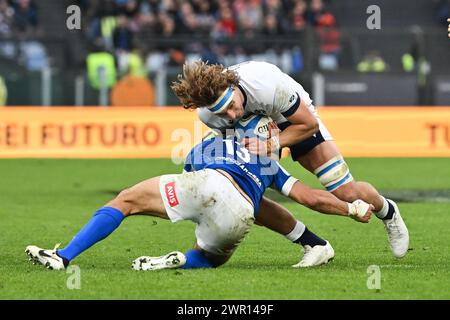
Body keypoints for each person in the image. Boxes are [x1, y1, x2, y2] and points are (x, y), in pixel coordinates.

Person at [25, 132, 373, 271]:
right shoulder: (272, 166)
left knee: (127, 201)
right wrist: (351, 208)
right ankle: (180, 260)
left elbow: (193, 171)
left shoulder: (213, 141)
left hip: (208, 182)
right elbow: (310, 197)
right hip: (241, 214)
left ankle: (64, 256)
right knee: (212, 258)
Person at [171, 60, 409, 258]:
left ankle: (387, 211)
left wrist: (273, 143)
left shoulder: (265, 84)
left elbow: (308, 124)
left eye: (232, 105)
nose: (232, 114)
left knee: (345, 192)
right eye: (224, 113)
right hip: (251, 131)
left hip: (291, 119)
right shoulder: (209, 115)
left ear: (234, 88)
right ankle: (313, 243)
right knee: (247, 194)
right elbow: (233, 132)